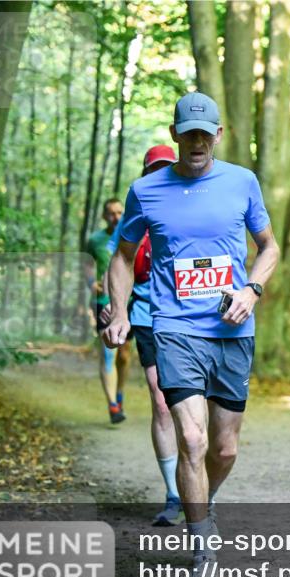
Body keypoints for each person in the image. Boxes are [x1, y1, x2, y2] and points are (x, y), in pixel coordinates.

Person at [103, 92, 278, 577]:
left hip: (232, 331)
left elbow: (269, 247)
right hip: (175, 328)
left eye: (206, 133)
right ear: (176, 135)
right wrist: (118, 313)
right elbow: (123, 257)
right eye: (189, 133)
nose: (198, 142)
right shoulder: (146, 190)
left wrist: (251, 288)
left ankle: (203, 501)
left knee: (224, 448)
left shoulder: (242, 182)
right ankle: (203, 552)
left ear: (218, 135)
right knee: (193, 441)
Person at [104, 145, 184, 527]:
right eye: (155, 169)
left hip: (193, 318)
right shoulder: (136, 213)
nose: (161, 174)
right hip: (148, 314)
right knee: (161, 400)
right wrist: (114, 307)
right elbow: (116, 261)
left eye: (167, 168)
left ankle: (199, 483)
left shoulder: (192, 208)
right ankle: (173, 493)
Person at [86, 198, 128, 424]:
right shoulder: (95, 240)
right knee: (108, 353)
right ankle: (112, 405)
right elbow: (87, 266)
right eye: (111, 213)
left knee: (124, 355)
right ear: (104, 216)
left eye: (120, 212)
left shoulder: (132, 234)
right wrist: (91, 283)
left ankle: (119, 394)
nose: (116, 217)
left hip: (130, 301)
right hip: (104, 301)